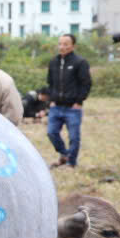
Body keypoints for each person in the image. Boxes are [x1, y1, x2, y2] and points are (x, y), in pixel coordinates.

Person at [44, 33, 91, 168]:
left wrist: (78, 101)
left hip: (72, 108)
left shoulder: (80, 62)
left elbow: (86, 84)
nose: (62, 47)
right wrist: (51, 100)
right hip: (56, 106)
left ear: (73, 46)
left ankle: (71, 163)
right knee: (51, 132)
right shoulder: (53, 62)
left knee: (74, 137)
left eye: (65, 44)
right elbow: (50, 82)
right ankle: (64, 155)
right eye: (60, 44)